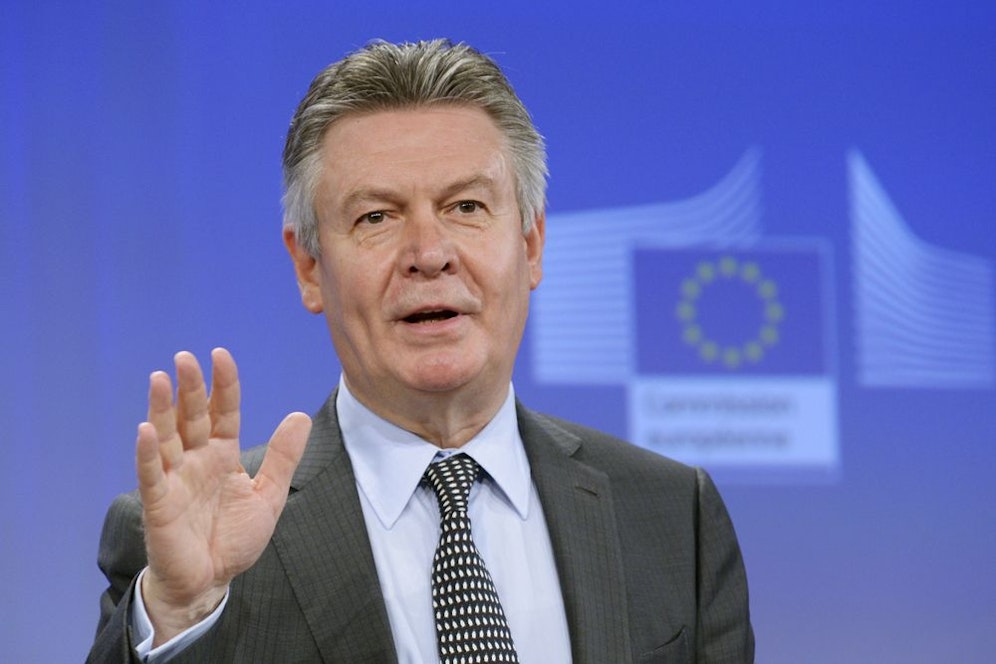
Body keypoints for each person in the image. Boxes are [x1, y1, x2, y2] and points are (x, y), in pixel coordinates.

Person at [88, 39, 754, 663]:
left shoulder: (674, 515)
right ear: (309, 267)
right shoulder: (203, 541)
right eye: (376, 217)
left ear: (531, 244)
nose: (429, 254)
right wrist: (183, 610)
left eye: (466, 207)